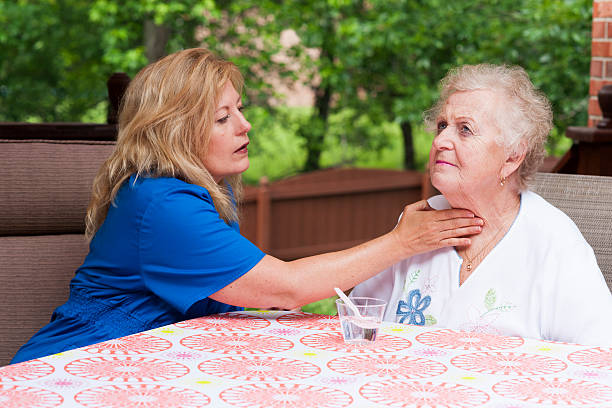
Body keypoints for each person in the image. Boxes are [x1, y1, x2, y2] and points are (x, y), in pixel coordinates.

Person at [11, 48, 483, 364]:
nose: (246, 125)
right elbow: (285, 288)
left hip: (135, 367)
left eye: (239, 108)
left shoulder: (176, 192)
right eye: (223, 117)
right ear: (175, 132)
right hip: (74, 371)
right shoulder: (162, 205)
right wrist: (403, 241)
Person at [351, 64, 612, 346]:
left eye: (465, 129)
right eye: (442, 126)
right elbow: (357, 317)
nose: (440, 140)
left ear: (512, 157)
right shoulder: (417, 222)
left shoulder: (554, 242)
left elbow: (599, 357)